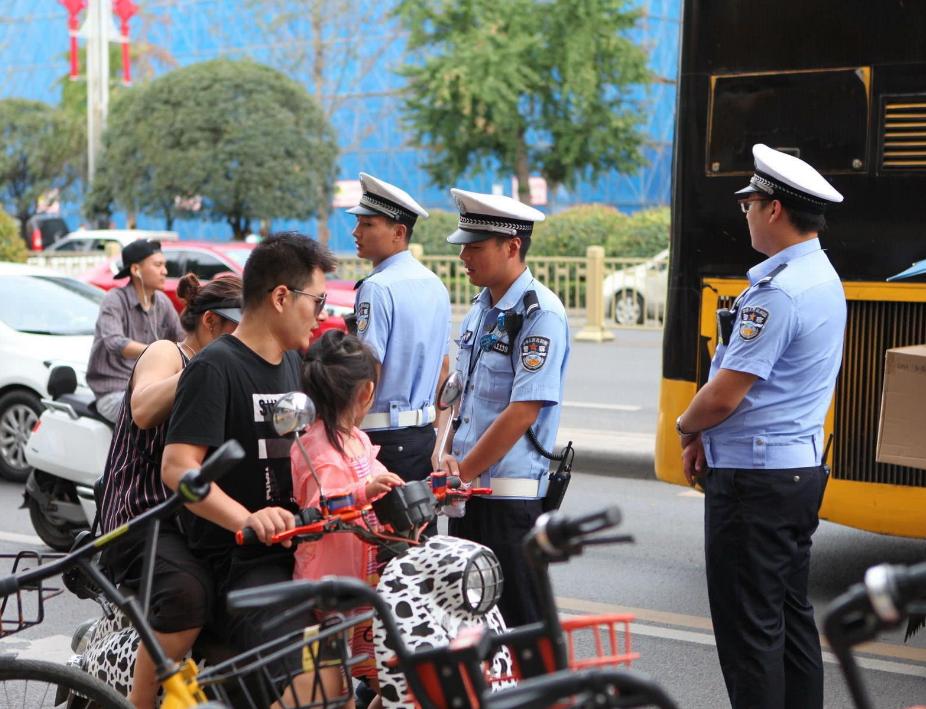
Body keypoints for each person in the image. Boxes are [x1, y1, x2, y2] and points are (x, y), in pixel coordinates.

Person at [676, 144, 845, 709]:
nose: (745, 213)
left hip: (754, 483)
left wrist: (685, 427)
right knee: (789, 620)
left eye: (749, 203)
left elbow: (725, 395)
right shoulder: (821, 276)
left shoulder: (779, 294)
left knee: (750, 634)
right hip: (795, 473)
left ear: (774, 209)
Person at [161, 232, 336, 685]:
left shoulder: (293, 364)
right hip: (243, 562)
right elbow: (178, 467)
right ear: (281, 297)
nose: (321, 315)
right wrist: (247, 520)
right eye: (317, 301)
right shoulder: (215, 367)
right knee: (309, 681)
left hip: (298, 549)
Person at [98, 272, 242, 709]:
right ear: (211, 323)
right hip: (141, 516)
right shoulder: (169, 353)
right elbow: (143, 410)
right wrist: (206, 368)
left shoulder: (234, 369)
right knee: (187, 594)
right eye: (239, 329)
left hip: (194, 516)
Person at [440, 188, 570, 627]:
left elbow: (522, 411)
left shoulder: (540, 314)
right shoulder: (480, 309)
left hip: (508, 502)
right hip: (467, 498)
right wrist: (444, 457)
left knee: (523, 629)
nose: (464, 256)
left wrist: (462, 471)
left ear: (512, 246)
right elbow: (458, 395)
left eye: (475, 247)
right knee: (470, 627)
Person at [291, 330, 404, 707]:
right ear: (366, 392)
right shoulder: (317, 448)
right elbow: (323, 505)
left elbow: (376, 479)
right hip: (331, 586)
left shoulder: (355, 437)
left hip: (364, 578)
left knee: (389, 676)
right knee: (335, 688)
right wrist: (363, 492)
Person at [347, 172, 452, 482]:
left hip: (384, 439)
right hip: (423, 437)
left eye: (368, 224)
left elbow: (370, 368)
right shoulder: (435, 284)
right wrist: (437, 439)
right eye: (358, 223)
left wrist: (347, 431)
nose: (356, 232)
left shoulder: (377, 287)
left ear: (398, 232)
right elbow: (444, 368)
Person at [87, 239, 184, 422]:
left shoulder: (163, 302)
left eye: (164, 265)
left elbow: (182, 340)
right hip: (115, 391)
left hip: (150, 389)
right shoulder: (114, 300)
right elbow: (115, 342)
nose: (165, 271)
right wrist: (158, 353)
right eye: (158, 265)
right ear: (135, 269)